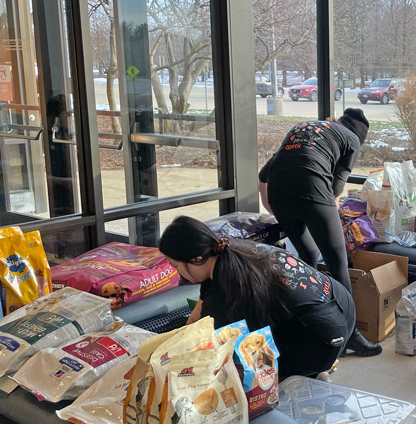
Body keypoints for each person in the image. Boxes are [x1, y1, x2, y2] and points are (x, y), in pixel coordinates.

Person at [159, 216, 357, 380]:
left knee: (243, 364)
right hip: (342, 305)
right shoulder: (228, 250)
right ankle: (314, 369)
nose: (178, 275)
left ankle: (305, 372)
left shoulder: (227, 293)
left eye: (176, 267)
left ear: (196, 259)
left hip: (324, 337)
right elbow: (196, 317)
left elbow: (229, 350)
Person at [258, 108, 381, 357]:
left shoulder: (309, 127)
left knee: (308, 257)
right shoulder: (352, 139)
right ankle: (350, 335)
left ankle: (306, 327)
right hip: (312, 186)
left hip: (279, 192)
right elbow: (336, 186)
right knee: (338, 262)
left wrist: (270, 206)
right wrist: (330, 210)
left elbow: (264, 174)